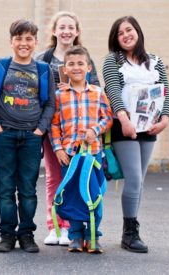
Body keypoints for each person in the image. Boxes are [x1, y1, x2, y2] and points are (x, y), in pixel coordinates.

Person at [0, 19, 55, 253]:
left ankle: (26, 234)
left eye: (28, 39)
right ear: (11, 41)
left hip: (31, 138)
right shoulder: (1, 66)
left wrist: (39, 131)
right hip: (5, 135)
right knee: (4, 188)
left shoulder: (43, 69)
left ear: (35, 42)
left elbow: (50, 105)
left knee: (27, 189)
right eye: (18, 38)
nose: (23, 43)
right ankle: (7, 235)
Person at [102, 16, 169, 253]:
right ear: (116, 39)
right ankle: (130, 232)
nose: (126, 35)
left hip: (149, 126)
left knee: (139, 181)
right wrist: (124, 119)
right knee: (132, 178)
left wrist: (165, 119)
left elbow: (165, 92)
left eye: (129, 30)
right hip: (125, 127)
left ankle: (130, 229)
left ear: (138, 31)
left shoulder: (155, 61)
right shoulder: (112, 60)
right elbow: (112, 90)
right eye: (120, 33)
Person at [35, 11, 100, 246]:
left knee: (76, 178)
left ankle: (72, 227)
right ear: (54, 31)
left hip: (79, 130)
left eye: (71, 27)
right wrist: (56, 91)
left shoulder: (84, 56)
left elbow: (96, 89)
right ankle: (54, 226)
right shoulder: (43, 59)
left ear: (77, 31)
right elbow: (37, 91)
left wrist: (75, 85)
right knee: (54, 176)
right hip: (53, 126)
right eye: (61, 27)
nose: (66, 31)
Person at [51, 46, 112, 253]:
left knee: (94, 194)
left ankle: (93, 235)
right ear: (65, 69)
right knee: (73, 194)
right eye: (71, 64)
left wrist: (95, 130)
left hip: (92, 153)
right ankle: (75, 235)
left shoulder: (97, 92)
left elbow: (107, 118)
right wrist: (58, 149)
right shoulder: (59, 95)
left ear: (88, 67)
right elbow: (54, 125)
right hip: (69, 155)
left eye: (80, 63)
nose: (76, 67)